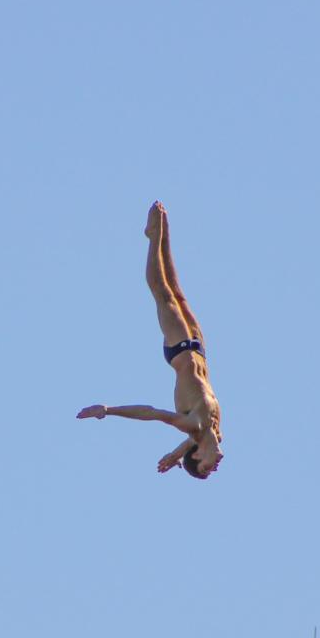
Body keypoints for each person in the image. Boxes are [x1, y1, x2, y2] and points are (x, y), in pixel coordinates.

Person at [77, 201, 223, 478]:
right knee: (177, 293)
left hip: (179, 350)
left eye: (206, 467)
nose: (215, 467)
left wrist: (109, 410)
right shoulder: (216, 432)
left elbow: (151, 413)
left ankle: (153, 236)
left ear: (198, 455)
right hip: (198, 348)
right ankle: (163, 230)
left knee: (162, 293)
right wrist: (175, 455)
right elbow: (192, 445)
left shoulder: (193, 426)